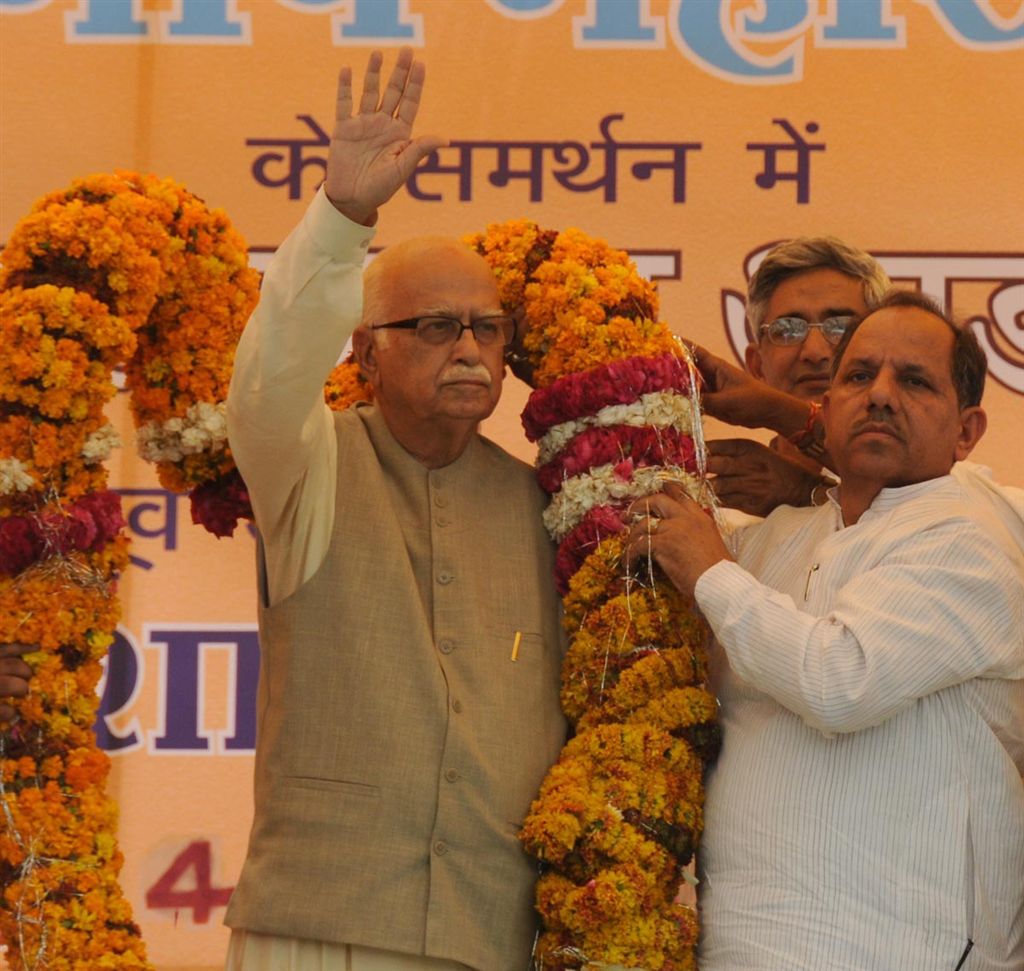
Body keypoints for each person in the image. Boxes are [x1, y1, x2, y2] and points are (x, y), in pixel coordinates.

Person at [220, 50, 566, 970]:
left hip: (490, 928)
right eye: (435, 326)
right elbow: (269, 377)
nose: (468, 350)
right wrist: (343, 216)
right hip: (321, 923)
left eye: (486, 328)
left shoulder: (547, 503)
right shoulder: (309, 463)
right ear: (367, 353)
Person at [625, 290, 1024, 970]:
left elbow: (839, 679)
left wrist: (710, 570)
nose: (881, 396)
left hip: (905, 949)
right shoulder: (782, 534)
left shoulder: (973, 532)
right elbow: (647, 520)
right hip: (742, 946)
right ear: (826, 406)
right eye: (859, 376)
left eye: (915, 380)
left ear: (967, 430)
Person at [703, 235, 1024, 571]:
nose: (814, 351)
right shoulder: (716, 517)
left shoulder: (956, 491)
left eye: (841, 326)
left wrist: (807, 488)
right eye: (787, 330)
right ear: (755, 366)